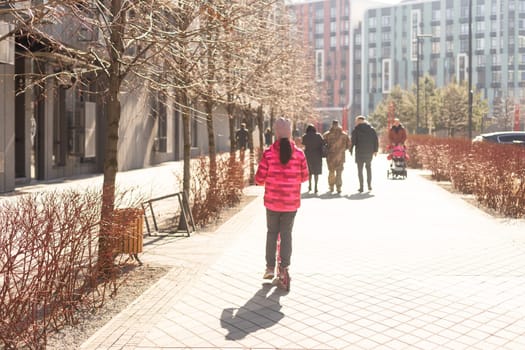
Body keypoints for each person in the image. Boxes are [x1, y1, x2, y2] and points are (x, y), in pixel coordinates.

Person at [255, 117, 309, 281]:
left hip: (272, 202)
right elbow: (305, 177)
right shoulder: (299, 154)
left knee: (272, 233)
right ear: (290, 133)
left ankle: (270, 267)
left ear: (276, 134)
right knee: (286, 234)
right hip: (291, 203)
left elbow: (259, 178)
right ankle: (284, 267)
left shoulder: (269, 153)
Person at [350, 115, 378, 193]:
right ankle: (369, 185)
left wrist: (351, 149)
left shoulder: (356, 130)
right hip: (369, 152)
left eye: (356, 121)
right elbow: (375, 140)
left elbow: (353, 141)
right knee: (368, 168)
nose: (356, 123)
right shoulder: (371, 129)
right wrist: (375, 150)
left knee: (360, 170)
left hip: (359, 153)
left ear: (359, 121)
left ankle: (361, 187)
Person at [323, 120, 350, 193]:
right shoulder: (344, 135)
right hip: (340, 156)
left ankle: (331, 186)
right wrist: (342, 150)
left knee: (331, 171)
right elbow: (348, 145)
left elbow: (323, 145)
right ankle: (339, 187)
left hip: (330, 156)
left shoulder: (327, 134)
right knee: (339, 172)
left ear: (332, 125)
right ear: (338, 125)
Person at [301, 124, 324, 193]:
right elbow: (323, 143)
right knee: (316, 172)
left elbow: (303, 144)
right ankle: (316, 187)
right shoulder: (318, 136)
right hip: (317, 155)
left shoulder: (305, 136)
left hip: (308, 155)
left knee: (309, 172)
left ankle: (310, 185)